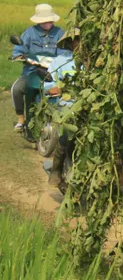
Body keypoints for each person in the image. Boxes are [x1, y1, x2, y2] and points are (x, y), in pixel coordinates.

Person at [10, 4, 64, 132]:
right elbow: (19, 49)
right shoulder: (29, 33)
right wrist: (19, 56)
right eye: (44, 21)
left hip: (52, 72)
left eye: (50, 21)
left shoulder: (59, 33)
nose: (47, 23)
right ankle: (21, 120)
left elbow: (63, 51)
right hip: (31, 71)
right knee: (16, 90)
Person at [42, 28, 79, 191]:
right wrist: (52, 88)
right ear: (71, 42)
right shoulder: (61, 61)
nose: (81, 43)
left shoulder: (96, 61)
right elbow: (48, 83)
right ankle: (56, 168)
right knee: (67, 131)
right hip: (67, 105)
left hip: (91, 106)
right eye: (77, 40)